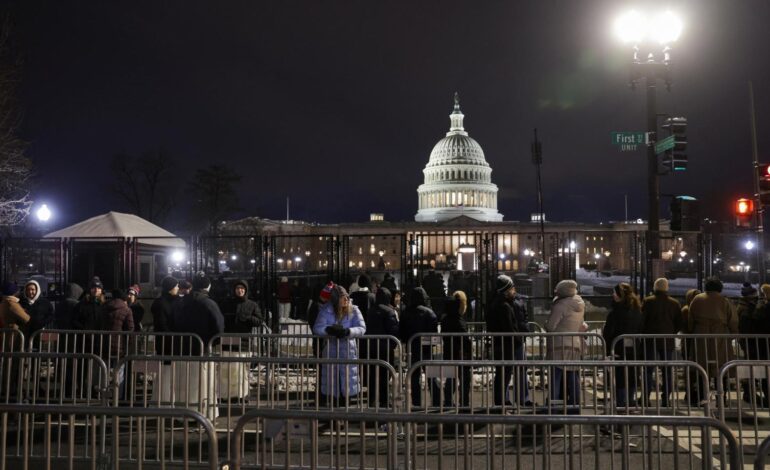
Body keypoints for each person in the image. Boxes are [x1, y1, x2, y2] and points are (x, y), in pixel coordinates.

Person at [312, 285, 366, 407]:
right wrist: (329, 330)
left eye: (347, 296)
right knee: (333, 387)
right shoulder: (326, 311)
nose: (346, 299)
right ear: (336, 299)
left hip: (348, 352)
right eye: (343, 297)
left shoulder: (354, 310)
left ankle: (343, 417)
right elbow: (317, 328)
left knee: (347, 388)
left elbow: (362, 328)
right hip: (331, 352)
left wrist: (348, 332)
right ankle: (335, 418)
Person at [688, 277, 738, 405]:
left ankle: (701, 397)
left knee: (701, 368)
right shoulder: (724, 301)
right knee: (721, 369)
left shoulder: (697, 299)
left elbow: (690, 319)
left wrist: (691, 332)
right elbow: (733, 320)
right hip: (720, 336)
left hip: (700, 336)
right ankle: (722, 398)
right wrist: (733, 334)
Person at [640, 277, 682, 407]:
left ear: (655, 287)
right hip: (667, 340)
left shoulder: (648, 302)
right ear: (667, 288)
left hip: (650, 340)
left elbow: (642, 320)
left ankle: (645, 398)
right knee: (667, 371)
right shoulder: (674, 303)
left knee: (648, 370)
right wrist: (671, 333)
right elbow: (678, 323)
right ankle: (666, 399)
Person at [545, 279, 585, 413]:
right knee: (573, 377)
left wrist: (546, 323)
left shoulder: (561, 305)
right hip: (574, 344)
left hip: (559, 345)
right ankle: (575, 407)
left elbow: (551, 326)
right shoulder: (579, 302)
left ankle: (553, 407)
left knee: (555, 378)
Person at [602, 282, 643, 408]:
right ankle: (629, 402)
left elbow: (608, 332)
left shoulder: (615, 313)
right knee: (631, 376)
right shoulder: (637, 310)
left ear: (620, 295)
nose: (612, 295)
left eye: (614, 293)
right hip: (634, 348)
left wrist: (609, 350)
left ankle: (620, 404)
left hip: (618, 348)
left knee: (620, 377)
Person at [399, 286, 440, 408]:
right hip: (427, 349)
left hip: (412, 349)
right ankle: (436, 402)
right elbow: (434, 333)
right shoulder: (429, 312)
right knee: (431, 377)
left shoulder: (406, 312)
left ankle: (416, 404)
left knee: (414, 378)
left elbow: (402, 332)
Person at [487, 274, 521, 409]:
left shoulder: (495, 303)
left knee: (500, 374)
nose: (514, 291)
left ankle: (500, 402)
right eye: (512, 289)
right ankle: (501, 403)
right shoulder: (504, 306)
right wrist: (518, 340)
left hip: (498, 343)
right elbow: (509, 328)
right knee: (504, 375)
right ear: (506, 290)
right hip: (505, 345)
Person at [172, 273, 225, 354]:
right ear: (208, 286)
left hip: (182, 345)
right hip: (203, 345)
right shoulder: (209, 304)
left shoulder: (181, 301)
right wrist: (214, 341)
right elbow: (218, 324)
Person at [365, 286, 399, 408]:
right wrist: (393, 344)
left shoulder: (371, 310)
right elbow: (393, 330)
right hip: (385, 348)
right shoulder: (389, 311)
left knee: (373, 375)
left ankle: (372, 400)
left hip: (372, 347)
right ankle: (384, 401)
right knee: (385, 375)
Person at [441, 291, 472, 408]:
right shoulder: (458, 320)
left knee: (450, 378)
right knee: (464, 380)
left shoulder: (445, 319)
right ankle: (464, 403)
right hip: (460, 353)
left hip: (449, 352)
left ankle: (448, 401)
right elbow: (465, 339)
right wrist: (469, 352)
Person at [150, 276, 180, 355]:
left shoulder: (172, 301)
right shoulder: (162, 303)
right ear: (171, 288)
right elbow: (161, 323)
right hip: (166, 340)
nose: (178, 288)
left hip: (169, 340)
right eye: (176, 286)